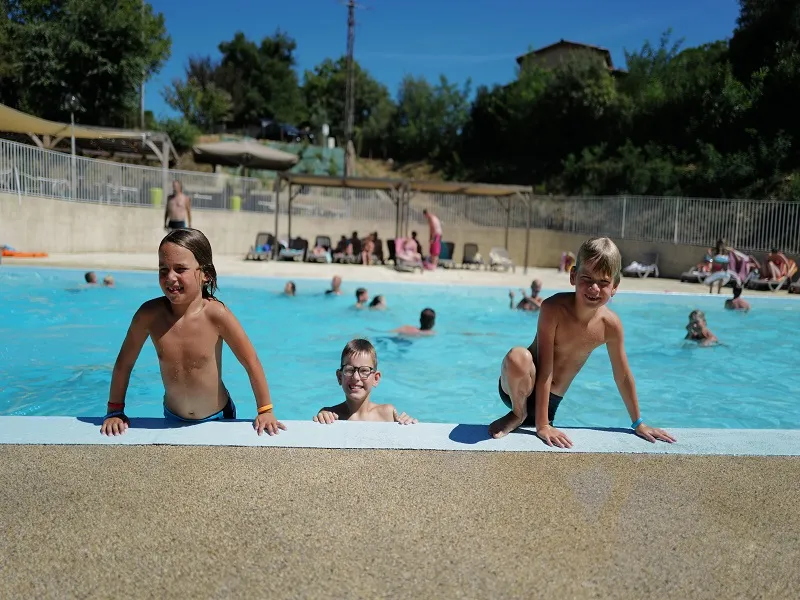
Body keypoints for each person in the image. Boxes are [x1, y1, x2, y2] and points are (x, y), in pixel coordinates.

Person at [489, 237, 676, 448]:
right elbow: (545, 368)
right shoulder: (553, 309)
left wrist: (639, 423)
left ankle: (531, 417)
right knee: (518, 356)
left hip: (550, 402)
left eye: (604, 282)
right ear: (573, 276)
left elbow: (622, 376)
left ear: (615, 286)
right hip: (519, 387)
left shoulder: (610, 326)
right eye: (586, 278)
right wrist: (542, 426)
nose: (594, 288)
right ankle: (518, 413)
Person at [100, 228, 285, 437]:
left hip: (218, 416)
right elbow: (124, 364)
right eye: (163, 270)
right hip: (173, 416)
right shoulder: (149, 315)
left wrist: (265, 410)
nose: (170, 277)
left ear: (205, 274)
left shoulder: (216, 314)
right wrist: (114, 411)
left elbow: (251, 362)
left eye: (180, 269)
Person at [313, 339, 417, 424]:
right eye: (349, 370)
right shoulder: (331, 415)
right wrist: (322, 418)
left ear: (376, 379)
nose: (356, 377)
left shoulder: (387, 414)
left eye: (364, 371)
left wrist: (408, 423)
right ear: (340, 377)